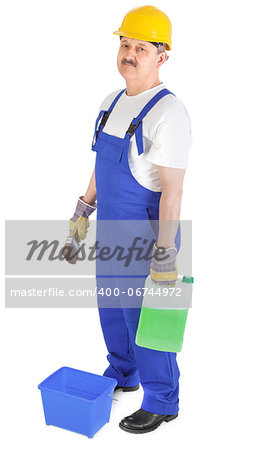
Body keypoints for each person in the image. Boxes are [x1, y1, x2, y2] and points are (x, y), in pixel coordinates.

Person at [68, 5, 192, 434]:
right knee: (112, 308)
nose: (130, 53)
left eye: (141, 47)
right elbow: (103, 164)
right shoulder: (112, 101)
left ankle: (163, 400)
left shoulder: (168, 113)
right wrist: (83, 209)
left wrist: (166, 252)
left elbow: (173, 190)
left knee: (147, 317)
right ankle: (123, 373)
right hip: (111, 229)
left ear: (162, 56)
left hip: (147, 231)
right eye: (125, 44)